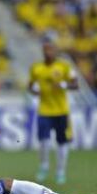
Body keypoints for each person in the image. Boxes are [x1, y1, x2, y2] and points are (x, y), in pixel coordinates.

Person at [28, 39, 79, 184]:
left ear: (55, 50)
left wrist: (63, 84)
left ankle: (60, 171)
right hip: (44, 110)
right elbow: (30, 86)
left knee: (62, 141)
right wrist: (34, 91)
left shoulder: (64, 66)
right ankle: (44, 166)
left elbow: (75, 84)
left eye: (50, 49)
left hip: (61, 110)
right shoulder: (36, 67)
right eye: (45, 49)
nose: (48, 52)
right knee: (43, 141)